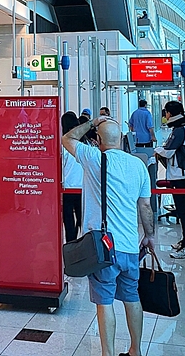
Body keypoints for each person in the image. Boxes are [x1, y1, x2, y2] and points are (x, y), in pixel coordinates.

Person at [62, 115, 154, 356]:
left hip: (103, 248)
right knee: (132, 297)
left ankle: (109, 353)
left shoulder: (94, 158)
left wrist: (92, 123)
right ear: (122, 138)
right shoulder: (139, 165)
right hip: (130, 247)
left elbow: (67, 138)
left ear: (98, 140)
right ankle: (136, 350)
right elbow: (145, 206)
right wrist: (149, 236)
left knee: (105, 302)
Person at [155, 100, 185, 259]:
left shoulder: (180, 130)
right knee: (182, 210)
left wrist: (157, 150)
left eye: (165, 112)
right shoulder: (184, 127)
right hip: (180, 174)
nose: (165, 116)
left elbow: (169, 151)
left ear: (170, 113)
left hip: (181, 176)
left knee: (184, 211)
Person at [60, 111, 84, 243]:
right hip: (83, 187)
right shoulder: (84, 143)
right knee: (82, 219)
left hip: (68, 187)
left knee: (68, 220)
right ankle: (83, 245)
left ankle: (70, 244)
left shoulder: (63, 145)